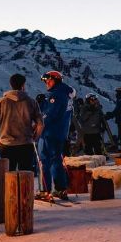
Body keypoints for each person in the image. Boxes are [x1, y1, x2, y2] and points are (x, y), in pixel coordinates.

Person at [0, 73, 44, 173]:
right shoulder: (32, 102)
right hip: (26, 144)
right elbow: (40, 124)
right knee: (26, 176)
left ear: (11, 85)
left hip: (6, 145)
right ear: (23, 85)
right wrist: (34, 138)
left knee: (8, 176)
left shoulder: (0, 102)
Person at [38, 71, 75, 200]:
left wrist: (37, 124)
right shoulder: (65, 94)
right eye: (45, 81)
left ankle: (46, 190)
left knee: (45, 161)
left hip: (50, 132)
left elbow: (50, 114)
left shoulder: (57, 95)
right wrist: (43, 103)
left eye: (48, 80)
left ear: (56, 80)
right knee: (56, 160)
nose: (46, 83)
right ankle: (60, 188)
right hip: (59, 132)